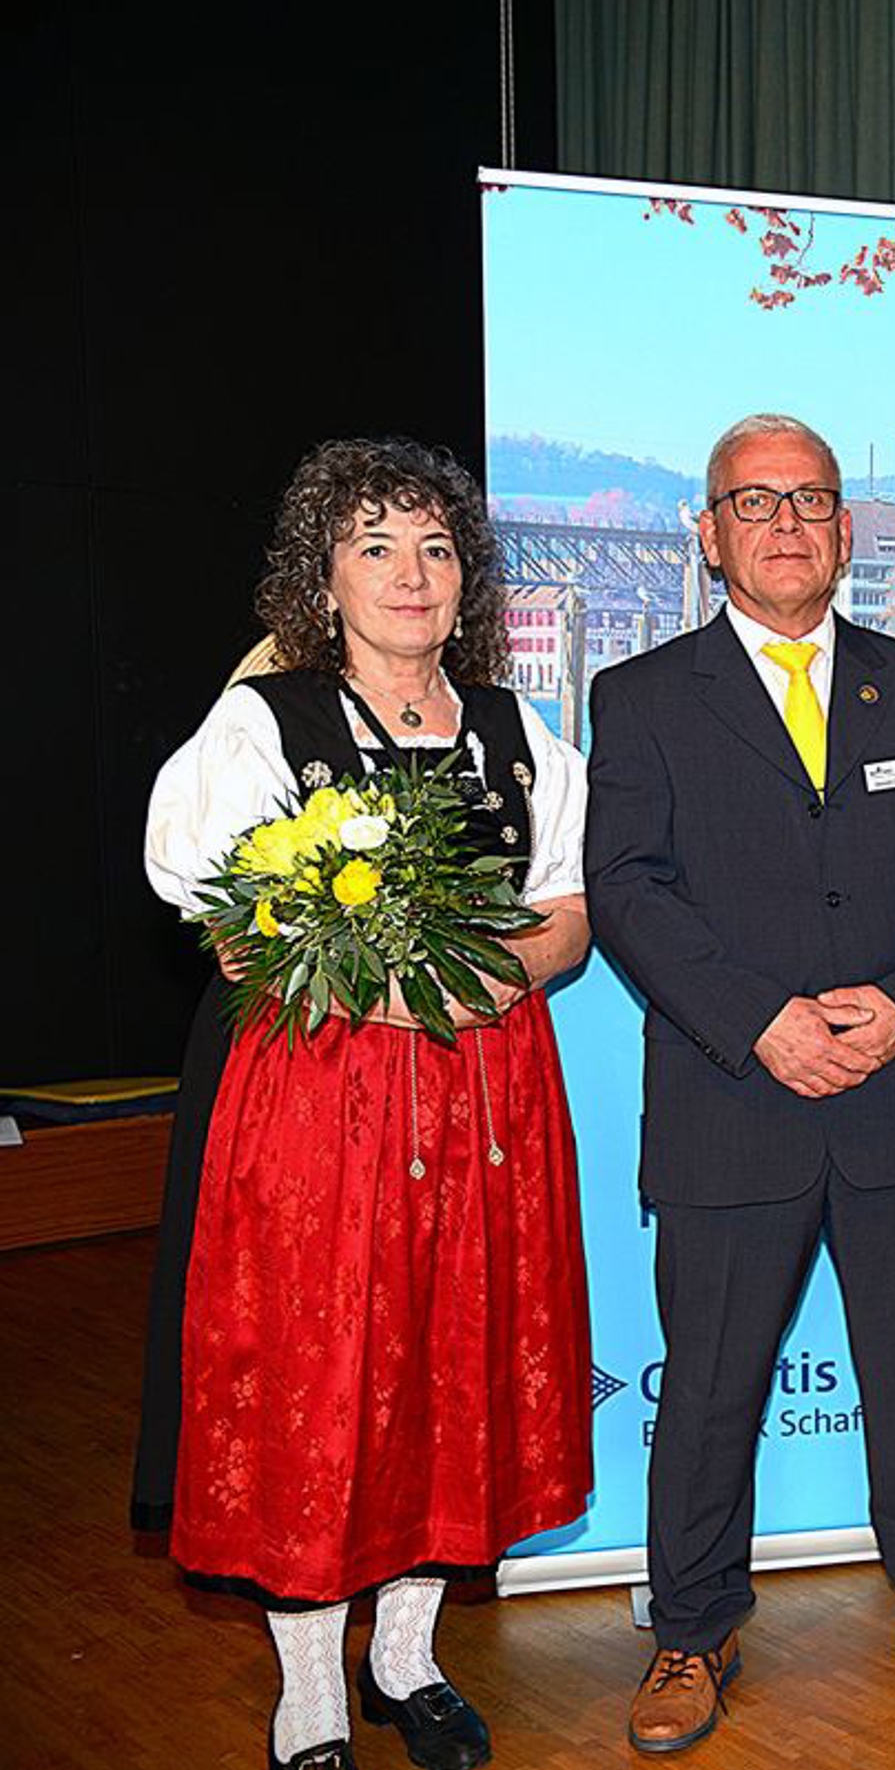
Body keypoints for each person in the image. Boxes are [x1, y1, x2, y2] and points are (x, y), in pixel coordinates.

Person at [140, 437, 595, 1770]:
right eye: (376, 545)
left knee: (452, 1365)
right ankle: (312, 1695)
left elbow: (566, 911)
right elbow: (223, 919)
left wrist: (488, 973)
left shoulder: (515, 733)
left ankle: (405, 1657)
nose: (412, 573)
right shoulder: (264, 723)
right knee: (321, 1375)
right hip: (319, 1096)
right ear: (322, 577)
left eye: (438, 547)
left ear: (471, 578)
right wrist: (375, 991)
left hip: (483, 1093)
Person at [586, 413, 895, 1752]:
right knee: (710, 1385)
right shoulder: (646, 697)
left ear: (843, 527)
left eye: (813, 499)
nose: (786, 522)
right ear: (709, 533)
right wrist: (757, 1021)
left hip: (894, 1096)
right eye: (754, 500)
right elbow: (627, 892)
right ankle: (691, 1626)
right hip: (732, 1098)